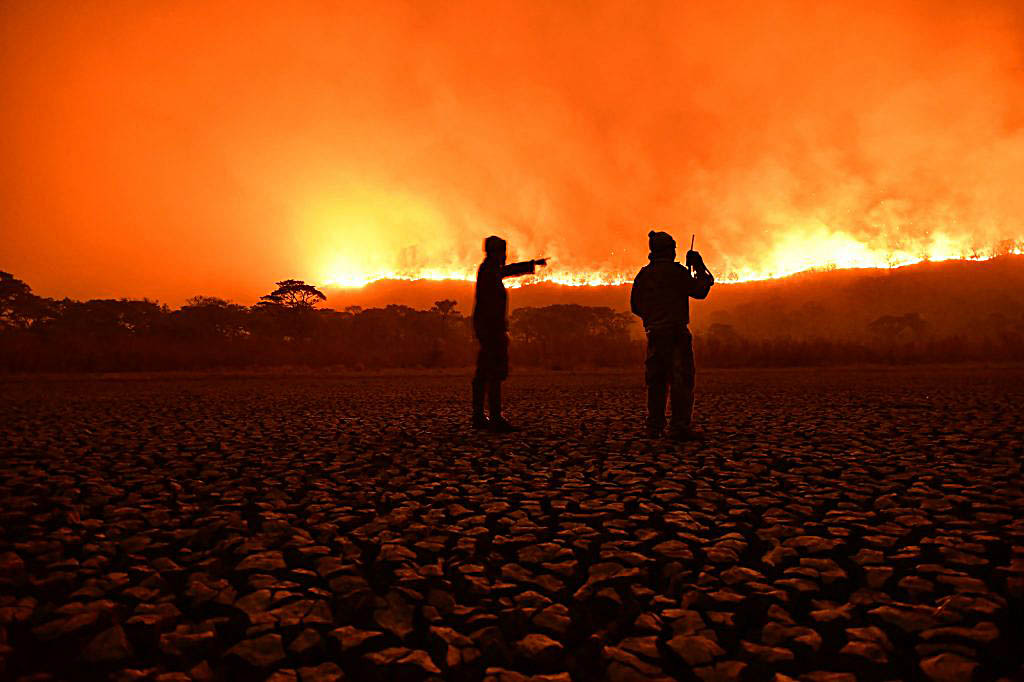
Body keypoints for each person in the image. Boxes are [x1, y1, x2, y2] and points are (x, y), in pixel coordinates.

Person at [630, 230, 714, 440]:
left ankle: (654, 427)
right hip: (676, 333)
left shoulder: (644, 275)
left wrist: (653, 318)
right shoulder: (676, 272)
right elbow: (701, 290)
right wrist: (699, 267)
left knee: (656, 381)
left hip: (655, 334)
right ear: (670, 250)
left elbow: (635, 306)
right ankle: (679, 427)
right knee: (682, 379)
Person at [472, 236, 547, 432]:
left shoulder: (490, 269)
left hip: (488, 329)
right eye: (503, 252)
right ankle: (493, 418)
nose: (505, 256)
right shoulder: (489, 270)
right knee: (493, 372)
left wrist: (531, 265)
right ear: (496, 252)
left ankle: (480, 416)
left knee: (484, 373)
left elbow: (507, 270)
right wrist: (497, 331)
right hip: (491, 330)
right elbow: (490, 304)